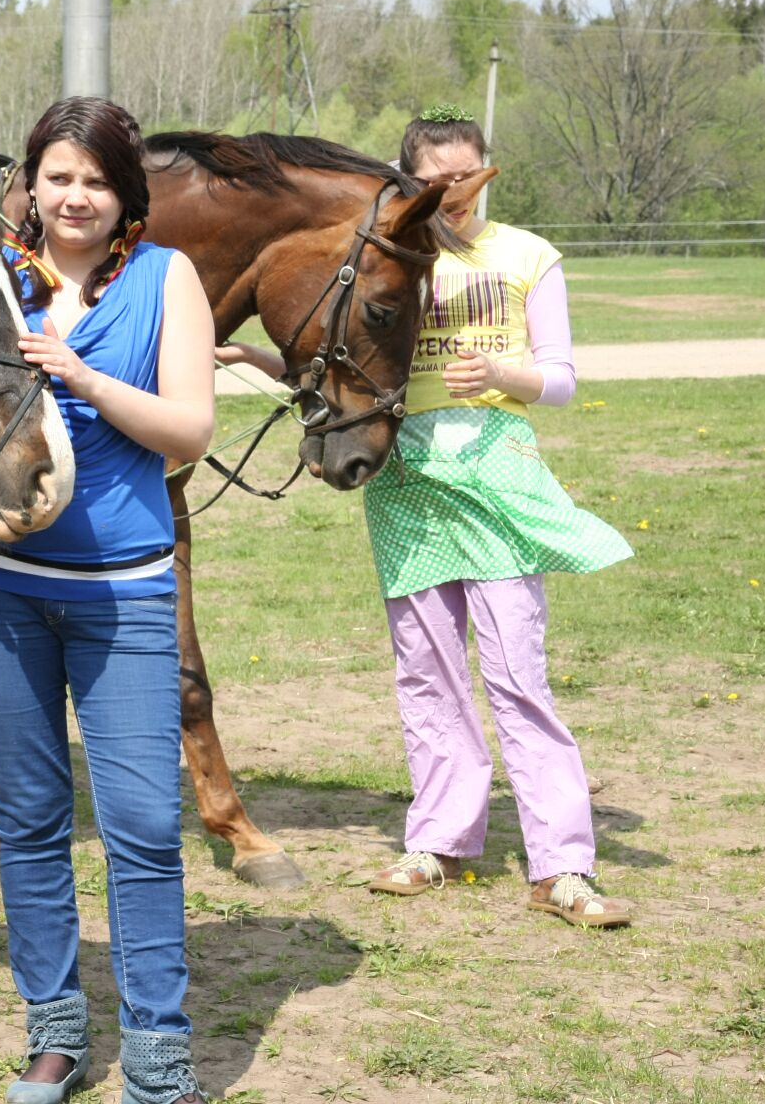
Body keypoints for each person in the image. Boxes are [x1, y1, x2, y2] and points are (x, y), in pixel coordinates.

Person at [223, 105, 633, 927]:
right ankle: (438, 842)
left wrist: (508, 374)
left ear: (486, 171)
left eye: (467, 176)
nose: (455, 192)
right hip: (405, 478)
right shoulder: (391, 252)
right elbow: (352, 362)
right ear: (411, 181)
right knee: (425, 670)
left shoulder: (524, 256)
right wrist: (265, 361)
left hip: (495, 471)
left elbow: (562, 379)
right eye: (437, 180)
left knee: (519, 674)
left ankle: (563, 865)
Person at [0, 97, 215, 1104]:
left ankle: (160, 1050)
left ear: (124, 192)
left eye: (95, 179)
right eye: (58, 177)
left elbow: (188, 433)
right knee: (36, 819)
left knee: (140, 825)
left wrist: (83, 378)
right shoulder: (0, 277)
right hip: (0, 593)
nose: (76, 196)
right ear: (33, 188)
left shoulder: (167, 280)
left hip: (124, 597)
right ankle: (54, 1035)